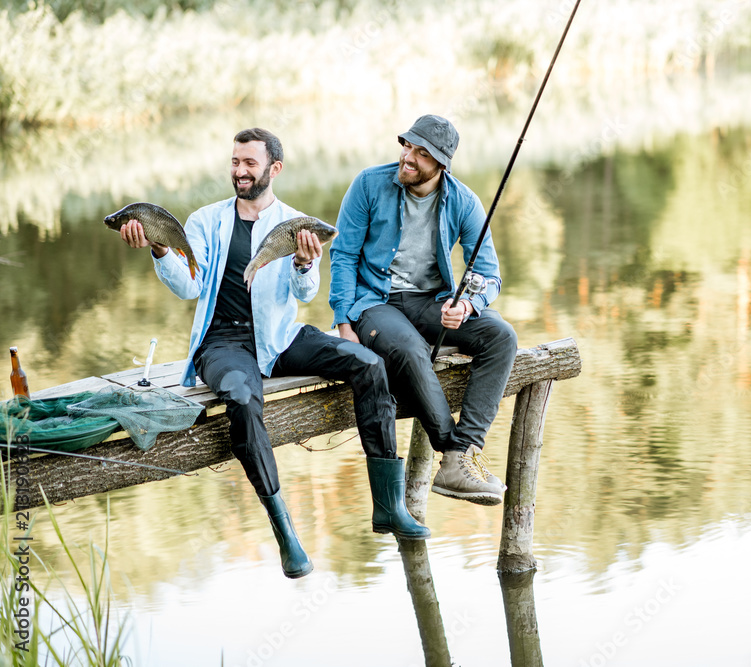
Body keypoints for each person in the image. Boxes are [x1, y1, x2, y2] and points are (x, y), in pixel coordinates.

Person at [117, 128, 430, 579]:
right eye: (235, 162)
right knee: (243, 401)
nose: (239, 171)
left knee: (369, 363)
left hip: (279, 337)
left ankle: (388, 506)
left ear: (273, 169)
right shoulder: (206, 220)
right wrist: (161, 248)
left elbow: (305, 292)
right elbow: (188, 286)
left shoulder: (295, 222)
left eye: (249, 164)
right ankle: (284, 530)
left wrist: (305, 262)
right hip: (222, 344)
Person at [329, 114, 518, 507]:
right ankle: (455, 457)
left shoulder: (464, 201)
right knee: (411, 349)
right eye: (407, 146)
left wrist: (466, 304)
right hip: (374, 302)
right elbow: (343, 255)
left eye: (421, 153)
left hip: (430, 301)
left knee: (501, 336)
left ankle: (461, 454)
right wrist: (344, 322)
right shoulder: (368, 184)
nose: (408, 157)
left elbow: (489, 274)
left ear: (442, 165)